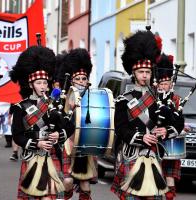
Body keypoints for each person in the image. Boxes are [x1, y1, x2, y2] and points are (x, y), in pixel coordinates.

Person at [110, 30, 184, 199]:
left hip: (154, 156)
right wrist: (140, 137)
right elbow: (120, 129)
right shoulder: (123, 100)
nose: (145, 75)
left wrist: (166, 131)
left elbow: (179, 122)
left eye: (148, 72)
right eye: (141, 72)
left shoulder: (161, 98)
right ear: (133, 73)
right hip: (132, 155)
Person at [10, 45, 75, 199]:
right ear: (31, 84)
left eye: (45, 83)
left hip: (51, 156)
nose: (43, 86)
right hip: (31, 157)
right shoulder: (21, 108)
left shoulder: (55, 105)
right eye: (39, 83)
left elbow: (69, 127)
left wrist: (59, 135)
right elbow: (17, 136)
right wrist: (36, 143)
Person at [57, 48, 96, 200]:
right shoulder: (63, 97)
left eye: (84, 79)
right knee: (67, 181)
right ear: (72, 81)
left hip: (85, 143)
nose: (81, 82)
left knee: (85, 186)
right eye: (78, 79)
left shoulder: (93, 97)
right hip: (68, 142)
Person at [155, 54, 185, 200]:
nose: (163, 86)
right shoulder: (153, 98)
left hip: (171, 142)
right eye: (161, 83)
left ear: (171, 83)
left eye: (166, 83)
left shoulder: (176, 100)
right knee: (155, 178)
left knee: (169, 177)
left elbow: (179, 121)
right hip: (155, 142)